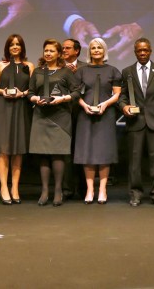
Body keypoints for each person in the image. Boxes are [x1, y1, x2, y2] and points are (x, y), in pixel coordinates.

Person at [117, 38, 154, 207]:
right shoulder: (127, 71)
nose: (142, 53)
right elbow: (122, 96)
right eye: (139, 51)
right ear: (135, 52)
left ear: (150, 51)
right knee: (135, 161)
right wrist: (124, 106)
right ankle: (135, 193)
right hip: (135, 122)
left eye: (145, 50)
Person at [27, 39, 79, 206]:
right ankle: (44, 191)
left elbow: (77, 92)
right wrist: (35, 99)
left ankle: (58, 191)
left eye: (51, 51)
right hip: (41, 115)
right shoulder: (37, 71)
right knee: (43, 154)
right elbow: (30, 93)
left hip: (60, 117)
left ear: (58, 54)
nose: (48, 53)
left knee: (58, 154)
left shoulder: (65, 72)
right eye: (46, 51)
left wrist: (62, 99)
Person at [0, 34, 34, 204]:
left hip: (21, 107)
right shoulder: (1, 65)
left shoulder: (29, 65)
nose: (15, 47)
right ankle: (3, 187)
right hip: (4, 107)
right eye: (12, 44)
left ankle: (15, 187)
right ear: (7, 47)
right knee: (4, 148)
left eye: (18, 44)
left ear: (22, 47)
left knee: (18, 149)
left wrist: (24, 93)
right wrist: (3, 92)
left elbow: (33, 88)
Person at [74, 37, 122, 204]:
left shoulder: (113, 71)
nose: (96, 51)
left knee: (104, 152)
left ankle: (102, 189)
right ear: (89, 52)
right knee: (87, 153)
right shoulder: (81, 71)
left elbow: (117, 94)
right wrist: (84, 105)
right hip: (85, 115)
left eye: (99, 48)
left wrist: (105, 104)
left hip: (105, 115)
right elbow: (76, 94)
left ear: (104, 51)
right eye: (93, 48)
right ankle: (90, 189)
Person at [61, 38, 85, 200]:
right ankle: (66, 188)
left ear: (76, 50)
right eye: (63, 48)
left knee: (82, 151)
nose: (64, 50)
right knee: (64, 152)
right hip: (62, 112)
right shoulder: (57, 66)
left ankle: (83, 189)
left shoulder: (85, 66)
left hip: (82, 113)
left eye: (68, 48)